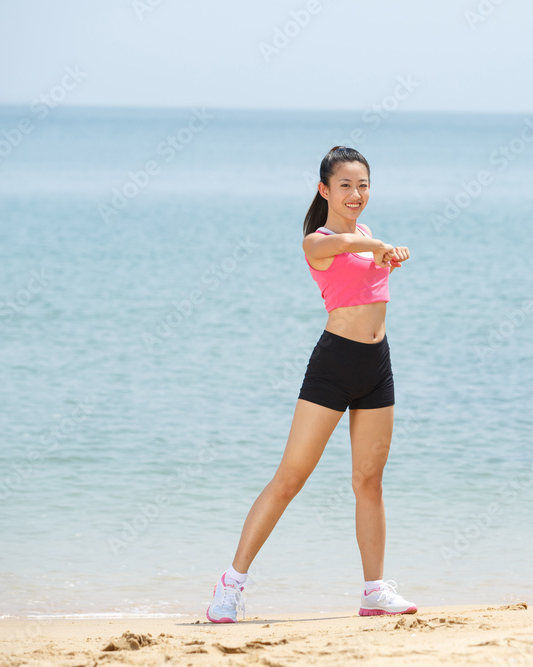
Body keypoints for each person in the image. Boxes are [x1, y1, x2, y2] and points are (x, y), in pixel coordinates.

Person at [206, 146, 417, 623]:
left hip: (377, 365)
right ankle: (230, 585)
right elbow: (340, 249)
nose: (356, 194)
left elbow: (363, 272)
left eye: (363, 185)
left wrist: (385, 254)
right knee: (289, 479)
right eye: (345, 185)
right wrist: (379, 247)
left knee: (369, 481)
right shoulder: (317, 241)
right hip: (334, 365)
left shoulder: (364, 234)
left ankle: (373, 591)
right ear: (324, 190)